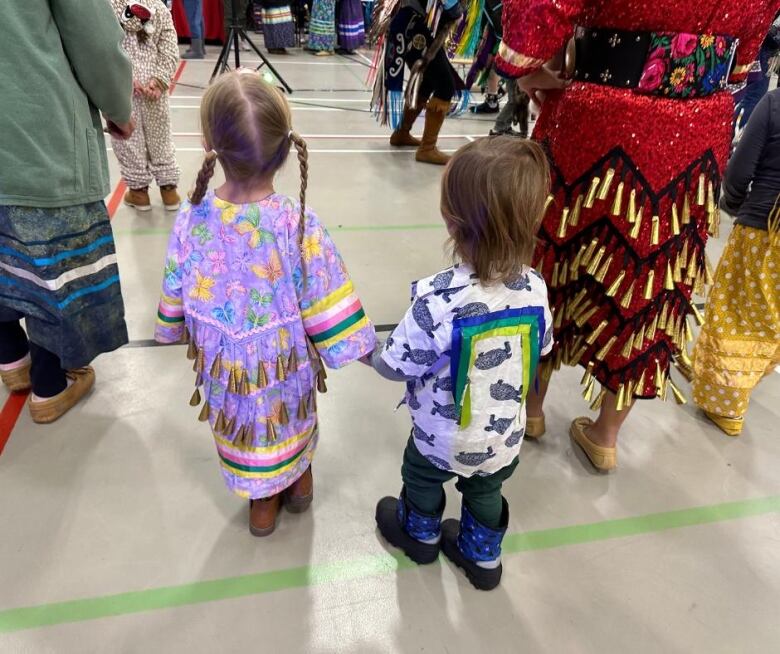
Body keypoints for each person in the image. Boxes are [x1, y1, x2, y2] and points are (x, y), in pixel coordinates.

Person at [495, 0, 779, 471]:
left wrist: (525, 68)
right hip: (695, 128)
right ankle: (605, 434)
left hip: (598, 112)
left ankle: (530, 408)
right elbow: (744, 60)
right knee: (653, 274)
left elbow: (540, 11)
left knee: (557, 255)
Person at [155, 71, 376, 537]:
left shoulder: (193, 213)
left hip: (228, 367)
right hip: (283, 361)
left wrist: (172, 323)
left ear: (209, 143)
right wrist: (359, 347)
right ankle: (297, 483)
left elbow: (177, 279)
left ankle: (263, 501)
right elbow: (324, 292)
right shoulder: (294, 220)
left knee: (247, 425)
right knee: (288, 416)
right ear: (282, 149)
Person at [370, 138, 553, 591]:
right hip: (501, 436)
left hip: (441, 435)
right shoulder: (535, 288)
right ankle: (483, 557)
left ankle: (421, 534)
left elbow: (395, 365)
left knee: (421, 474)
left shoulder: (439, 298)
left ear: (451, 223)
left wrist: (364, 350)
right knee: (486, 489)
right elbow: (543, 349)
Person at [0, 0, 134, 423]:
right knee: (51, 271)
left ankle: (11, 361)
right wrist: (118, 107)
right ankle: (50, 385)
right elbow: (93, 37)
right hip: (36, 133)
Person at [692, 89, 780, 436]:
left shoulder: (774, 104)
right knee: (771, 322)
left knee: (736, 314)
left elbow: (740, 169)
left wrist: (735, 203)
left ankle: (726, 404)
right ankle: (727, 383)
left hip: (763, 228)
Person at [373, 0, 465, 164]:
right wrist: (458, 10)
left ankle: (401, 134)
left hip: (414, 25)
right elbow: (452, 9)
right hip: (415, 28)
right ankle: (427, 149)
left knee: (428, 81)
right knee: (445, 85)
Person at [112, 0, 182, 213]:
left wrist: (124, 77)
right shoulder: (159, 8)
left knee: (128, 138)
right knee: (160, 136)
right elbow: (169, 48)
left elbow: (103, 47)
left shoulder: (109, 7)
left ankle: (139, 192)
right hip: (155, 90)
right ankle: (169, 191)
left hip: (123, 86)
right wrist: (159, 80)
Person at [454, 0, 529, 136]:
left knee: (518, 95)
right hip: (511, 52)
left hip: (511, 50)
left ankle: (503, 123)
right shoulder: (494, 5)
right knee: (516, 97)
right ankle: (500, 125)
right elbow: (502, 28)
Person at [735, 14, 780, 129]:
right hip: (764, 40)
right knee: (755, 94)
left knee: (753, 93)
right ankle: (727, 134)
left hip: (764, 39)